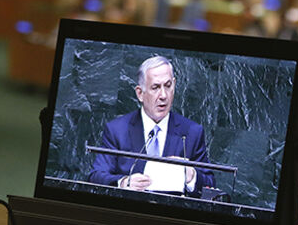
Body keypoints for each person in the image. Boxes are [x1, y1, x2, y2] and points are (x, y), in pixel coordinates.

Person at [88, 55, 215, 193]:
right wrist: (123, 182)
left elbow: (210, 185)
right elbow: (96, 177)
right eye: (155, 87)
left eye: (168, 86)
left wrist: (191, 175)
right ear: (140, 93)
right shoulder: (117, 130)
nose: (163, 95)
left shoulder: (192, 132)